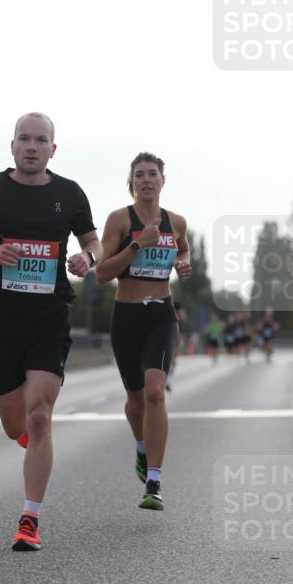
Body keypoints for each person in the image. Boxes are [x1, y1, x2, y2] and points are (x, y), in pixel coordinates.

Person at [0, 112, 100, 551]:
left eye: (41, 140)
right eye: (24, 139)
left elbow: (93, 241)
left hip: (49, 317)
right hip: (2, 319)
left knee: (40, 416)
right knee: (15, 422)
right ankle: (26, 437)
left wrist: (86, 260)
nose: (31, 146)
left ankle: (29, 520)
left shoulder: (69, 193)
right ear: (12, 145)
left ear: (53, 148)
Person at [96, 151, 192, 511]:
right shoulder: (120, 219)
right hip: (127, 315)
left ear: (163, 181)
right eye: (140, 175)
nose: (147, 180)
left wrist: (183, 265)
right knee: (135, 398)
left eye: (153, 174)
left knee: (155, 393)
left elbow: (183, 251)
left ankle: (154, 480)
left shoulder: (177, 222)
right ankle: (141, 448)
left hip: (161, 315)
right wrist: (138, 244)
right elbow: (102, 272)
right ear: (132, 182)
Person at [165, 301, 187, 391]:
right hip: (161, 334)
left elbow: (183, 317)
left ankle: (168, 381)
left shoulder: (176, 304)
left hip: (175, 333)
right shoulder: (156, 300)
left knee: (173, 359)